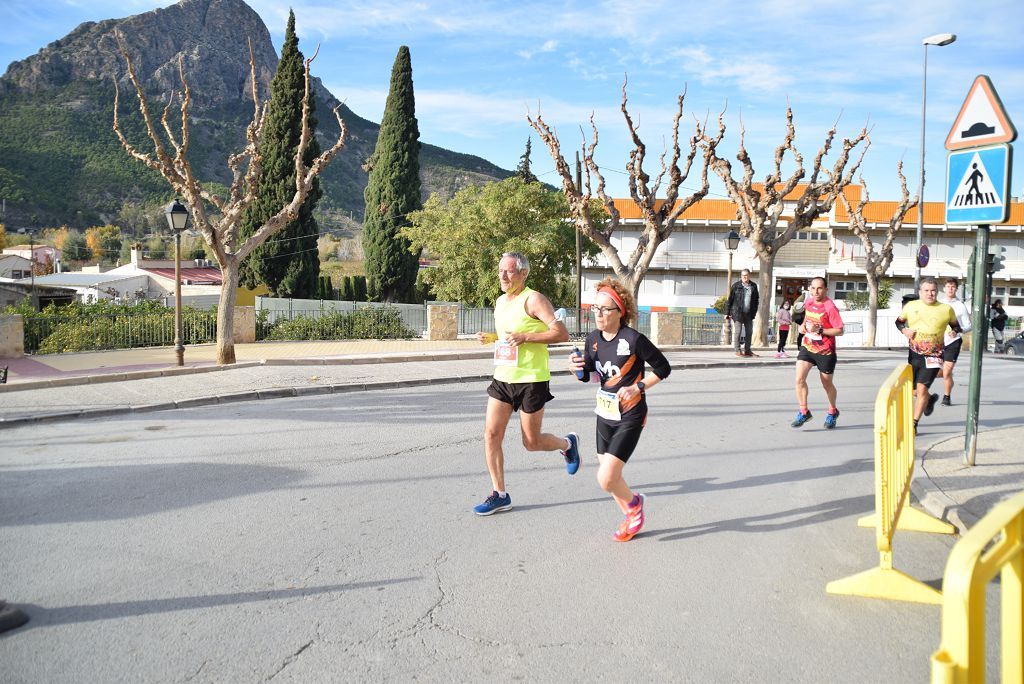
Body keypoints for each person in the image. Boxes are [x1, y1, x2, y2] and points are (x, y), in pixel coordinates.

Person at [472, 252, 579, 516]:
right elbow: (510, 333)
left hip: (532, 380)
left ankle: (567, 445)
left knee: (531, 442)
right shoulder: (499, 301)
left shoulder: (534, 299)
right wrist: (492, 337)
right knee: (491, 435)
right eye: (500, 271)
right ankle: (500, 494)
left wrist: (527, 337)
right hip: (503, 378)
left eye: (508, 271)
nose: (503, 276)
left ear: (523, 274)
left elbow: (561, 333)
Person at [569, 277, 671, 542]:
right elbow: (594, 376)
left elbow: (663, 368)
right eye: (595, 309)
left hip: (631, 414)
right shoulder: (593, 339)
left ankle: (635, 505)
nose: (599, 314)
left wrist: (639, 387)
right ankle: (631, 517)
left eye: (605, 310)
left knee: (605, 479)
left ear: (619, 312)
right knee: (611, 477)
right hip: (605, 414)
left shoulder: (634, 339)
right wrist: (578, 370)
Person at [895, 277, 961, 434]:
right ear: (920, 292)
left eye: (933, 291)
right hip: (915, 354)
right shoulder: (911, 306)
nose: (930, 294)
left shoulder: (946, 309)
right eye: (926, 291)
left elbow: (956, 326)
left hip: (934, 356)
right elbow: (898, 322)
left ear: (937, 292)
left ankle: (913, 423)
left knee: (922, 390)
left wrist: (953, 331)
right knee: (914, 390)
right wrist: (905, 331)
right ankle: (930, 399)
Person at [791, 277, 844, 429]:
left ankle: (833, 411)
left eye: (819, 288)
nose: (816, 292)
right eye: (813, 288)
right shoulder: (808, 302)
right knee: (799, 379)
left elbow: (840, 330)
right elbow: (806, 318)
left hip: (826, 351)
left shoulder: (830, 307)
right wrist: (802, 327)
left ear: (826, 289)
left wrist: (820, 330)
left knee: (826, 383)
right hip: (808, 347)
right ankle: (803, 411)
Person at [939, 278, 972, 406]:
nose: (950, 289)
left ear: (956, 289)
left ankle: (946, 397)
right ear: (944, 289)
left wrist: (957, 331)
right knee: (935, 371)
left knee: (946, 371)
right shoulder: (939, 304)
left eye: (953, 287)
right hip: (938, 341)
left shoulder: (960, 306)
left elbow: (969, 325)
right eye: (948, 286)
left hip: (953, 341)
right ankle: (948, 378)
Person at [726, 269, 760, 357]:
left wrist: (754, 311)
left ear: (749, 276)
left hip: (749, 313)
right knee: (738, 331)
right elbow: (730, 300)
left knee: (749, 331)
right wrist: (727, 312)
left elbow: (756, 300)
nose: (744, 277)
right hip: (737, 312)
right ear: (741, 276)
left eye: (746, 275)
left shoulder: (753, 286)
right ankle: (737, 350)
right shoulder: (736, 286)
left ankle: (747, 350)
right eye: (743, 275)